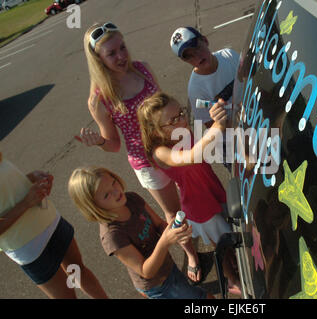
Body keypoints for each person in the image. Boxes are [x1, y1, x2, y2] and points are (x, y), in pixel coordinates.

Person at [76, 22, 202, 283]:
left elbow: (162, 105)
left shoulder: (143, 69)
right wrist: (99, 140)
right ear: (98, 59)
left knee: (197, 193)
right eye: (111, 53)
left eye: (122, 47)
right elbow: (114, 144)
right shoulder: (100, 99)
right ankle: (191, 254)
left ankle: (211, 228)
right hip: (147, 163)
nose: (121, 56)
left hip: (176, 147)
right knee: (173, 213)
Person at [137, 92, 241, 295]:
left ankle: (235, 264)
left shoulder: (182, 132)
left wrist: (218, 117)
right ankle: (232, 279)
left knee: (228, 234)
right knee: (220, 243)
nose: (182, 120)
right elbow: (194, 155)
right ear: (155, 131)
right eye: (173, 119)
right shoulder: (160, 152)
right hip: (199, 206)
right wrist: (217, 127)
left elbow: (209, 143)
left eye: (181, 113)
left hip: (212, 191)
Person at [67, 166, 213, 299]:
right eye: (106, 195)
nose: (116, 191)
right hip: (159, 287)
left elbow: (158, 225)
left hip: (168, 267)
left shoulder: (132, 199)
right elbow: (145, 271)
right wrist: (165, 241)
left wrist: (175, 232)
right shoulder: (112, 236)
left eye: (113, 182)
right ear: (93, 206)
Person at [0, 152, 107, 299]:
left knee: (78, 272)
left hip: (50, 222)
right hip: (30, 248)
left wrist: (32, 177)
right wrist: (25, 203)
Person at [170, 26, 240, 170]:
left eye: (197, 47)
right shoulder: (195, 90)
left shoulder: (229, 55)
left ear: (205, 40)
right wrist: (228, 120)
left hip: (255, 122)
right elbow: (212, 127)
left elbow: (249, 78)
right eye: (189, 56)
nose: (196, 56)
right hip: (232, 144)